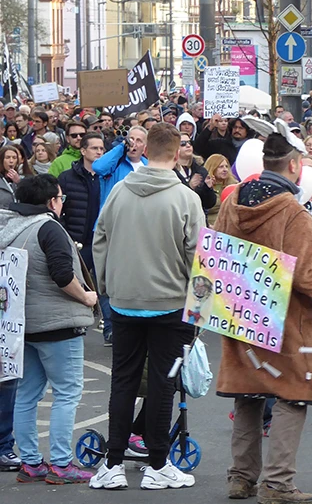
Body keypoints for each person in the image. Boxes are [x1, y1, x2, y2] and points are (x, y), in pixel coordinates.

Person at [215, 130, 312, 504]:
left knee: (247, 392)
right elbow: (305, 276)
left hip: (241, 311)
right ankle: (277, 484)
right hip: (287, 321)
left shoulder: (232, 200)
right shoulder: (293, 212)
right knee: (293, 395)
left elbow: (219, 257)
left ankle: (240, 478)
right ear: (293, 166)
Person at [90, 123, 203, 491]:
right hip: (170, 305)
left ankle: (113, 463)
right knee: (162, 385)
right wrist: (199, 306)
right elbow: (199, 256)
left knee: (122, 381)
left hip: (124, 301)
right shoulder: (186, 198)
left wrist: (107, 284)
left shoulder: (120, 191)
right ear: (175, 154)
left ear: (146, 149)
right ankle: (157, 463)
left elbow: (100, 239)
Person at [0, 175, 97, 484]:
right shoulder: (49, 228)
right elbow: (62, 275)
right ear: (51, 202)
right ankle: (61, 462)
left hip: (22, 323)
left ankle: (30, 462)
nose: (62, 203)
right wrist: (86, 297)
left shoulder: (11, 229)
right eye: (60, 198)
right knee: (67, 393)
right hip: (58, 324)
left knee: (27, 394)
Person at [57, 132, 107, 345]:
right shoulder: (68, 177)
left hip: (103, 241)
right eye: (94, 148)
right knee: (77, 283)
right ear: (83, 151)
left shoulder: (107, 176)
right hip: (78, 241)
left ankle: (110, 329)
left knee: (105, 285)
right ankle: (73, 324)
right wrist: (67, 233)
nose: (99, 152)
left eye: (102, 149)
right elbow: (60, 208)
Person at [92, 126, 148, 213]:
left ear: (145, 147)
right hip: (112, 219)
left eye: (139, 140)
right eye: (131, 139)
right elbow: (98, 167)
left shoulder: (148, 166)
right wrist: (122, 147)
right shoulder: (115, 162)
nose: (134, 144)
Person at [174, 132, 217, 215]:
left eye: (190, 142)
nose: (188, 145)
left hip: (199, 218)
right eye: (183, 144)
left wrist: (208, 188)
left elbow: (209, 204)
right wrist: (189, 186)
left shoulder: (200, 170)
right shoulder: (171, 171)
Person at [203, 154, 238, 224]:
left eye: (226, 166)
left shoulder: (234, 185)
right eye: (221, 167)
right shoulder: (204, 186)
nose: (225, 170)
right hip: (211, 226)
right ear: (213, 168)